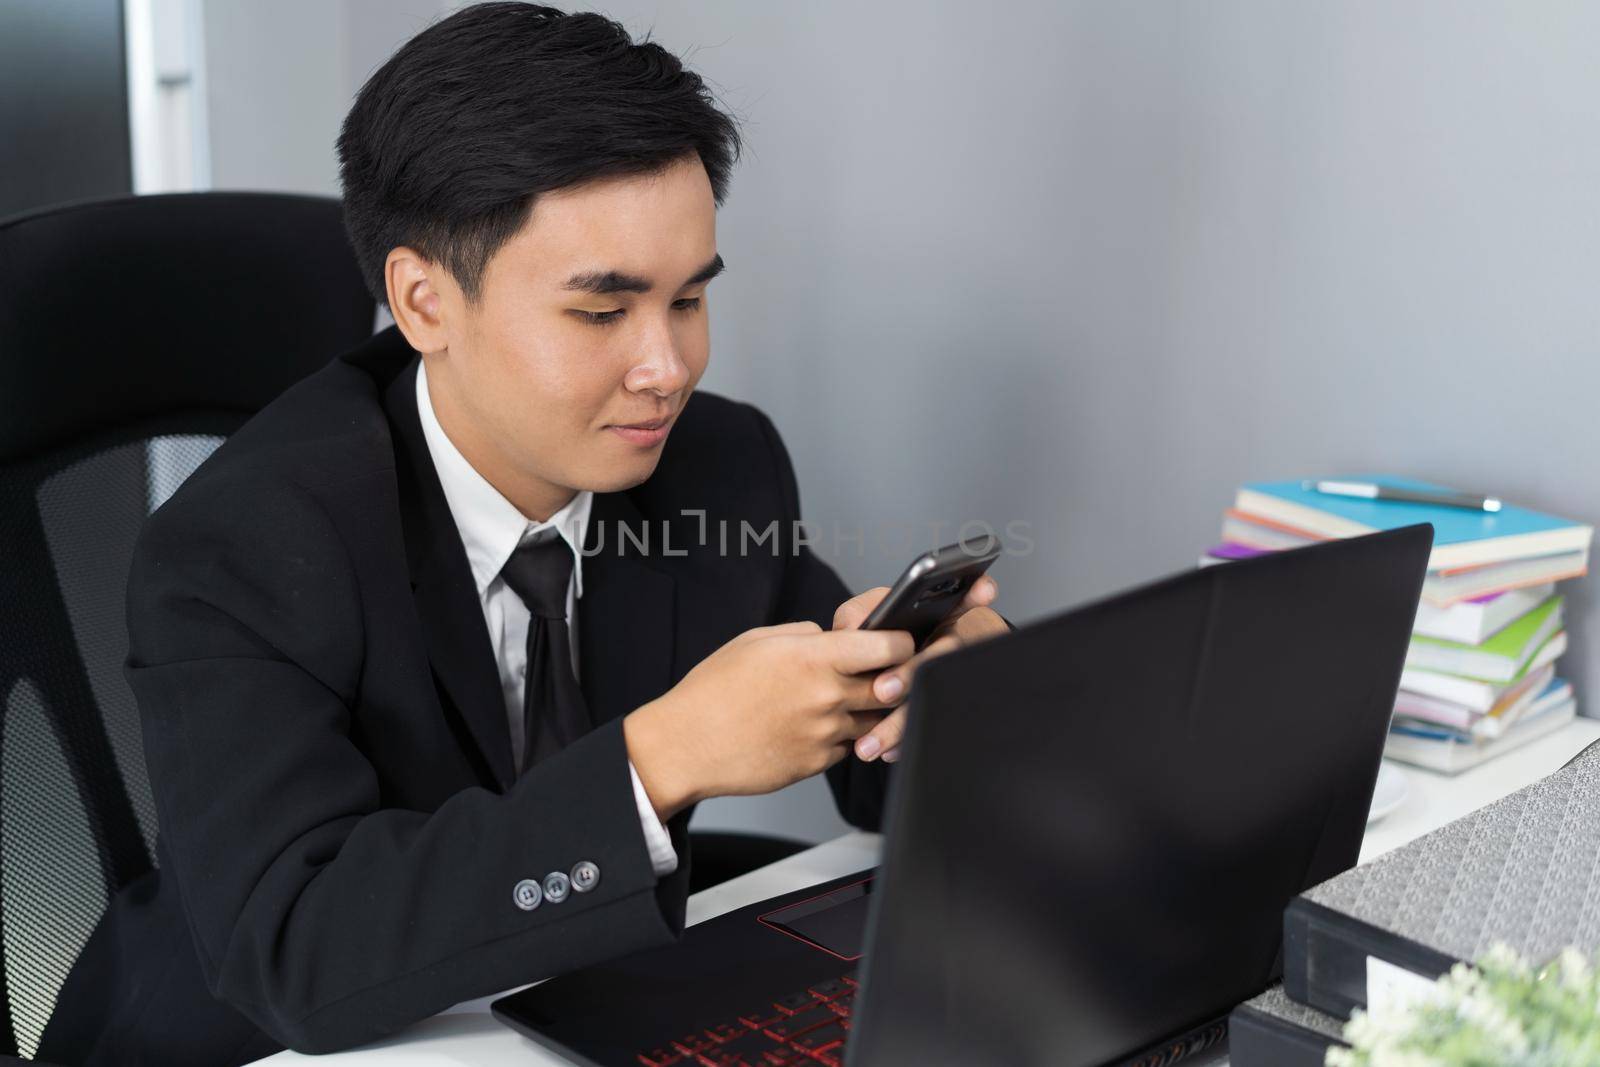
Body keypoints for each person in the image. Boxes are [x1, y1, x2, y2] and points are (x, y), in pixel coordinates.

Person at [39, 4, 1008, 1064]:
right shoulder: (242, 546)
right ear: (422, 302)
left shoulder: (718, 463)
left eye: (688, 298)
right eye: (603, 312)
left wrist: (932, 709)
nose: (669, 366)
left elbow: (861, 761)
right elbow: (294, 949)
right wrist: (661, 757)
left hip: (559, 1012)